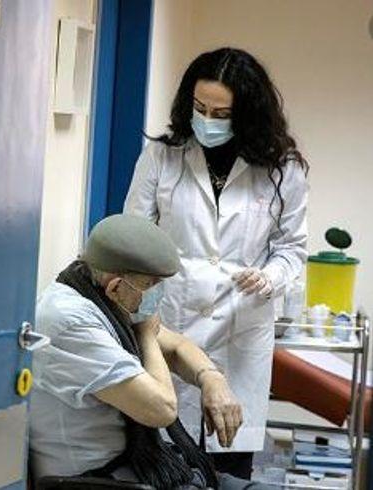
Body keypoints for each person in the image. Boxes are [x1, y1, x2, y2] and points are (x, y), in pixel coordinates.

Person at [123, 47, 308, 479]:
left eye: (221, 113)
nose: (207, 120)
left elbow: (292, 249)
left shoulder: (282, 169)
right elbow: (133, 238)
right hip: (172, 325)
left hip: (239, 334)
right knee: (166, 463)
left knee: (229, 467)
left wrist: (270, 276)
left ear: (247, 115)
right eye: (200, 108)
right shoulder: (162, 156)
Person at [29, 214, 273, 489]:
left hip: (142, 469)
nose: (157, 294)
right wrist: (146, 335)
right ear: (116, 286)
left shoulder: (100, 295)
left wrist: (211, 379)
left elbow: (178, 347)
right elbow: (161, 409)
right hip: (101, 482)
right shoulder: (69, 321)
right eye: (151, 285)